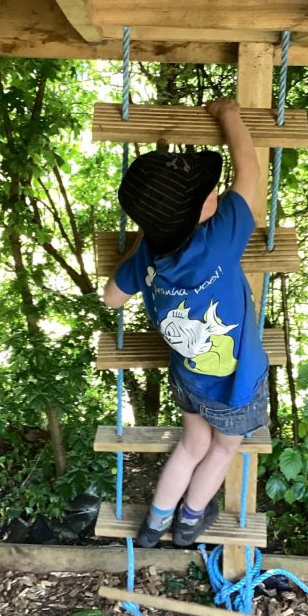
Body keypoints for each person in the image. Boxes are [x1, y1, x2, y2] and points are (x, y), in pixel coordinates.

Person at [102, 98, 269, 548]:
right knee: (224, 447)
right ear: (196, 214)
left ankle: (155, 524)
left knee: (193, 444)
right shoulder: (220, 239)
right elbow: (250, 172)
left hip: (188, 377)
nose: (216, 193)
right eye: (207, 194)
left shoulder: (149, 255)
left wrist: (143, 242)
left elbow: (112, 297)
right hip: (235, 384)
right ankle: (190, 520)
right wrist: (228, 114)